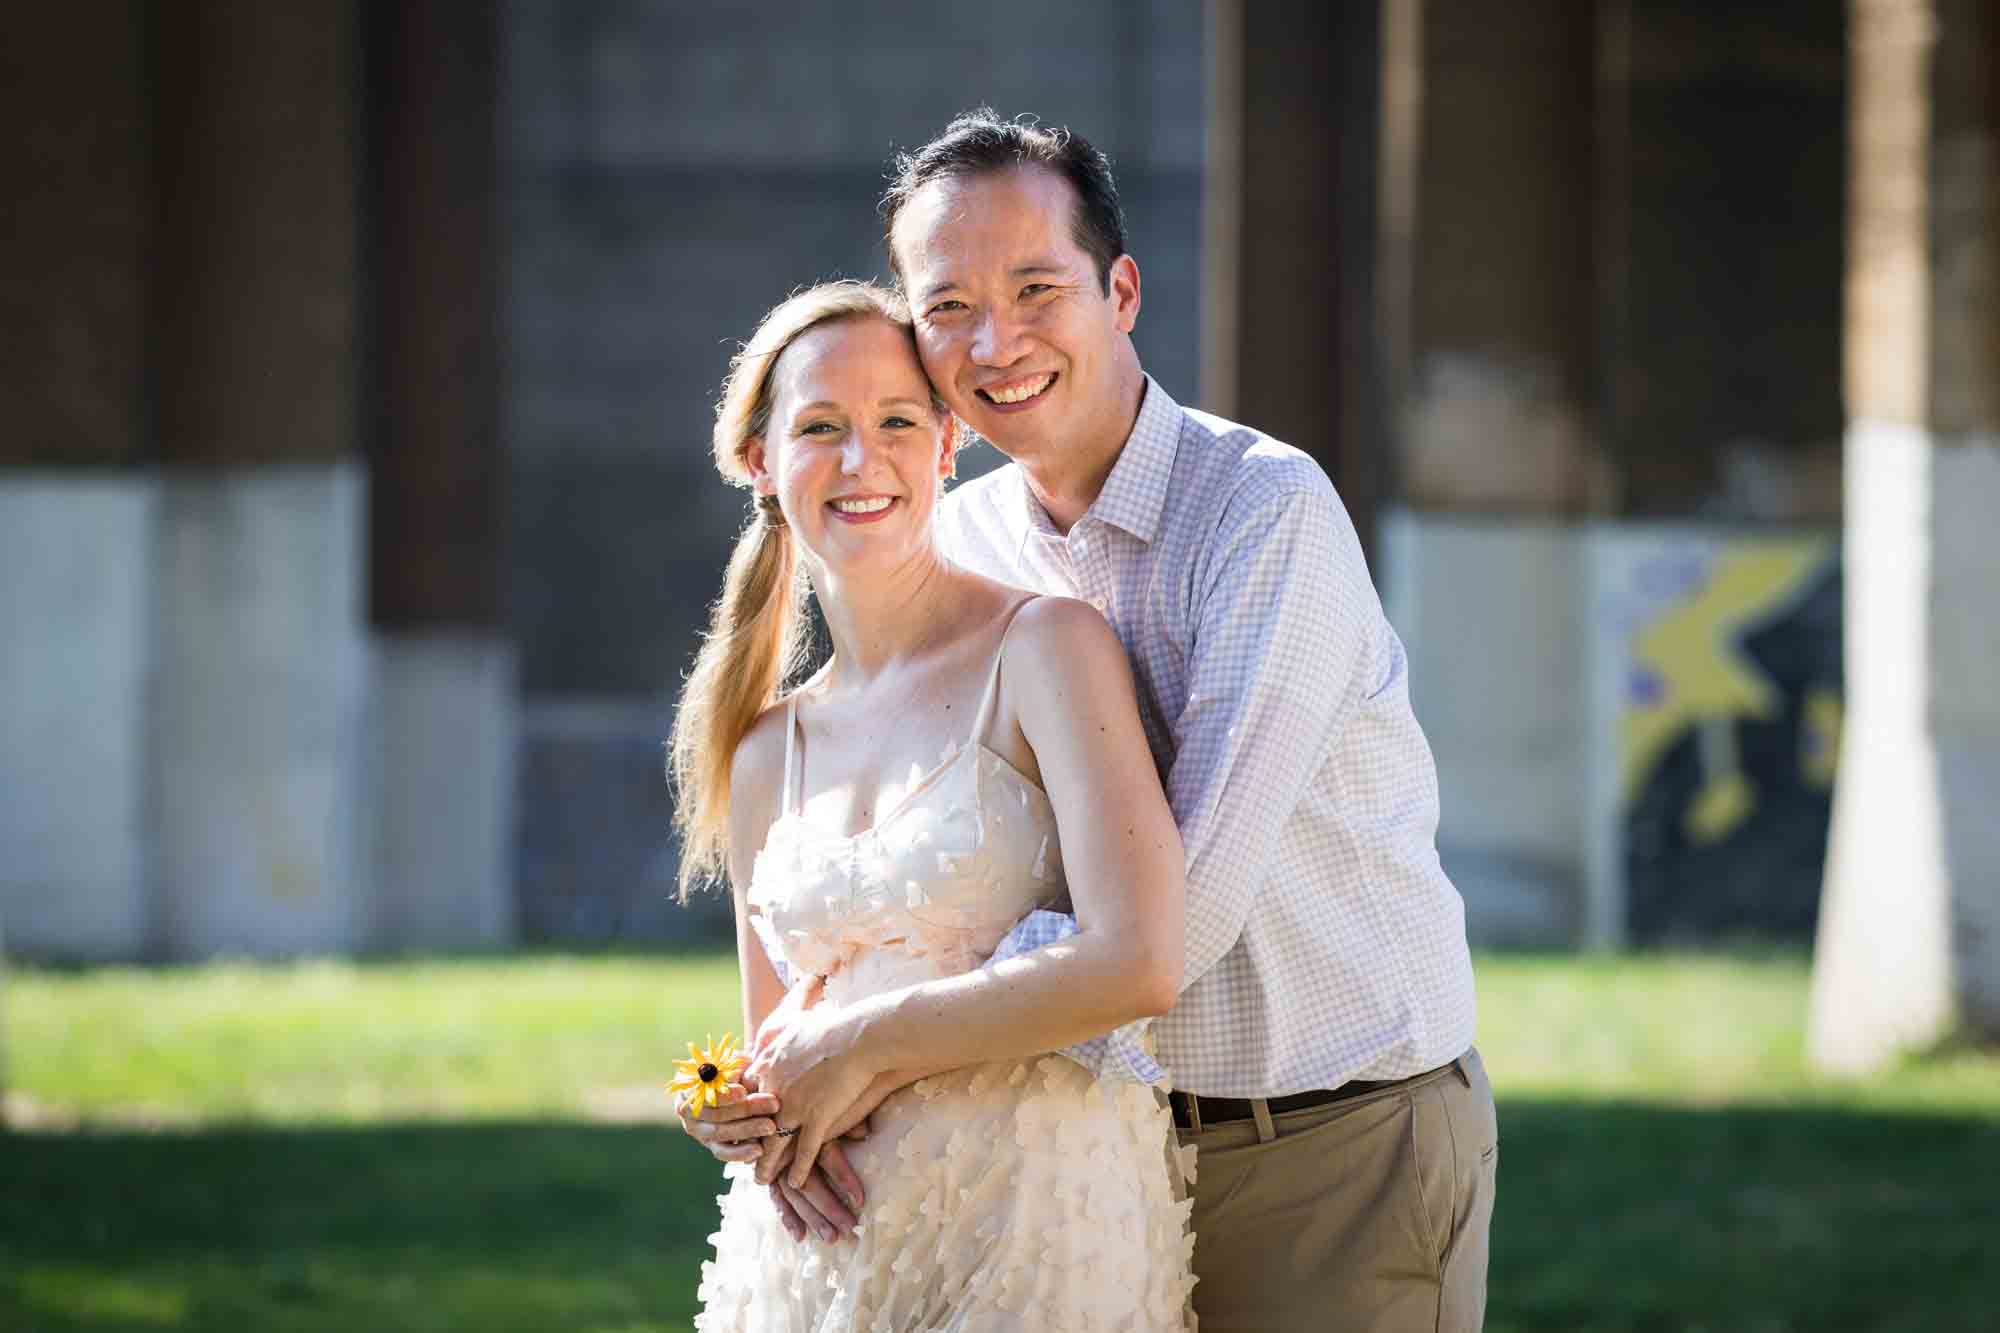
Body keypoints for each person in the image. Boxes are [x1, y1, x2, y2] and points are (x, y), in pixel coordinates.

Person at [682, 109, 1499, 1330]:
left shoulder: (1261, 515)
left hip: (1319, 1135)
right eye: (946, 304)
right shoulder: (964, 541)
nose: (993, 338)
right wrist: (754, 1086)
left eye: (1033, 287)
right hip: (1069, 1154)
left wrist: (863, 1044)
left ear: (1119, 289)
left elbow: (1175, 923)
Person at [668, 279, 1198, 1329]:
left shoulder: (1045, 651)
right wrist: (731, 1109)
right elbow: (774, 1039)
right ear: (758, 463)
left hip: (1030, 1222)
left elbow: (1137, 962)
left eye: (897, 422)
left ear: (949, 444)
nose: (862, 461)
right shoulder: (766, 745)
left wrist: (864, 1043)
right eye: (820, 427)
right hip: (822, 1256)